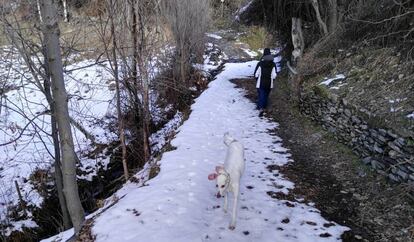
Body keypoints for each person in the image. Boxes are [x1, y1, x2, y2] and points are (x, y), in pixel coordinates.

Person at [254, 48, 277, 117]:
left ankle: (261, 108)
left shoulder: (260, 63)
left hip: (261, 82)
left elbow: (256, 74)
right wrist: (272, 80)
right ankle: (263, 106)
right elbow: (274, 75)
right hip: (269, 83)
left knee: (261, 95)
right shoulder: (273, 64)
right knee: (266, 95)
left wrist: (257, 79)